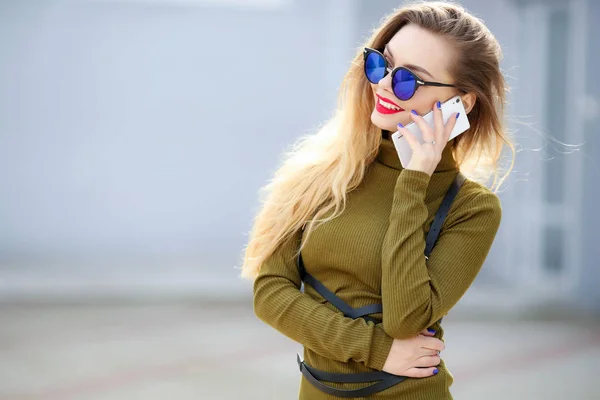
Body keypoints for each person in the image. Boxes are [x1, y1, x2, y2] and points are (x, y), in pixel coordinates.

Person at [239, 1, 514, 398]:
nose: (384, 84)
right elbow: (270, 293)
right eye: (379, 64)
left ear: (462, 102)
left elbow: (406, 319)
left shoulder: (472, 208)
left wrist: (415, 178)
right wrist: (376, 349)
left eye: (408, 80)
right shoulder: (324, 171)